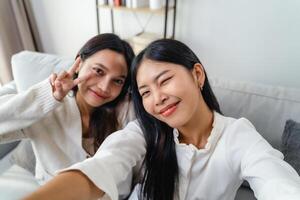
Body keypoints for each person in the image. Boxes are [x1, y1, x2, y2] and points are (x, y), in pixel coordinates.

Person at [23, 39, 300, 200]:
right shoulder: (144, 132)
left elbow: (276, 181)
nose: (157, 98)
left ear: (198, 75)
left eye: (164, 80)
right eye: (145, 92)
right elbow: (102, 167)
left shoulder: (237, 136)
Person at [0, 33, 135, 184]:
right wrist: (48, 97)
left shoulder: (125, 112)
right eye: (98, 71)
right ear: (80, 63)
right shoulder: (45, 107)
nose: (104, 87)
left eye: (117, 80)